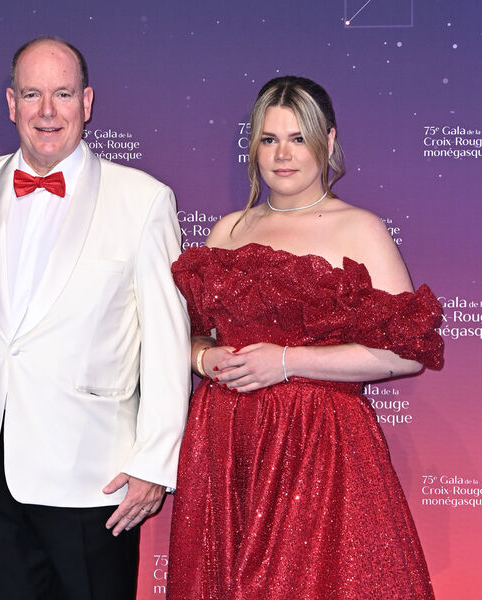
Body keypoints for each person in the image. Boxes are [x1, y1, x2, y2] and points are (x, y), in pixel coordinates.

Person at [166, 76, 444, 599]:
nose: (282, 155)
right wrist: (204, 359)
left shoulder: (360, 229)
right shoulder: (227, 231)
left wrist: (287, 362)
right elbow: (187, 335)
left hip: (319, 448)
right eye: (269, 139)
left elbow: (406, 354)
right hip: (225, 444)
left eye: (298, 138)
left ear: (329, 141)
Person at [0, 36, 191, 600]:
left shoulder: (143, 200)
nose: (47, 111)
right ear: (11, 103)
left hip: (94, 473)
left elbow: (167, 339)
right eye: (32, 94)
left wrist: (155, 461)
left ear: (87, 101)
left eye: (62, 93)